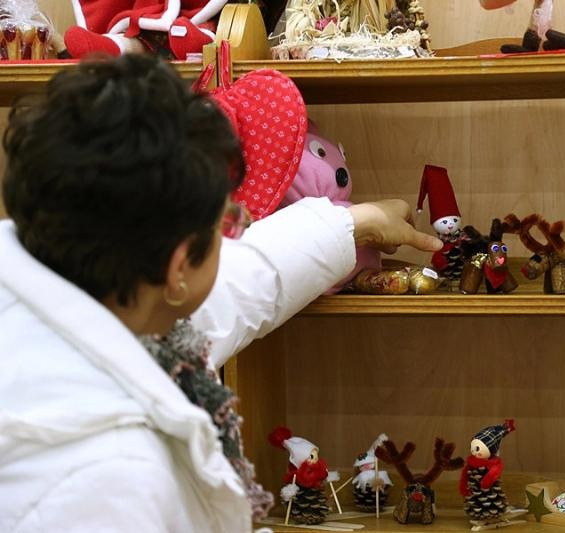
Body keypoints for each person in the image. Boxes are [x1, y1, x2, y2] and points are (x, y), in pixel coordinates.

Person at [0, 54, 442, 533]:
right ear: (177, 267)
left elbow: (239, 281)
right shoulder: (112, 485)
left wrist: (357, 222)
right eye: (229, 223)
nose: (237, 234)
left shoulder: (83, 287)